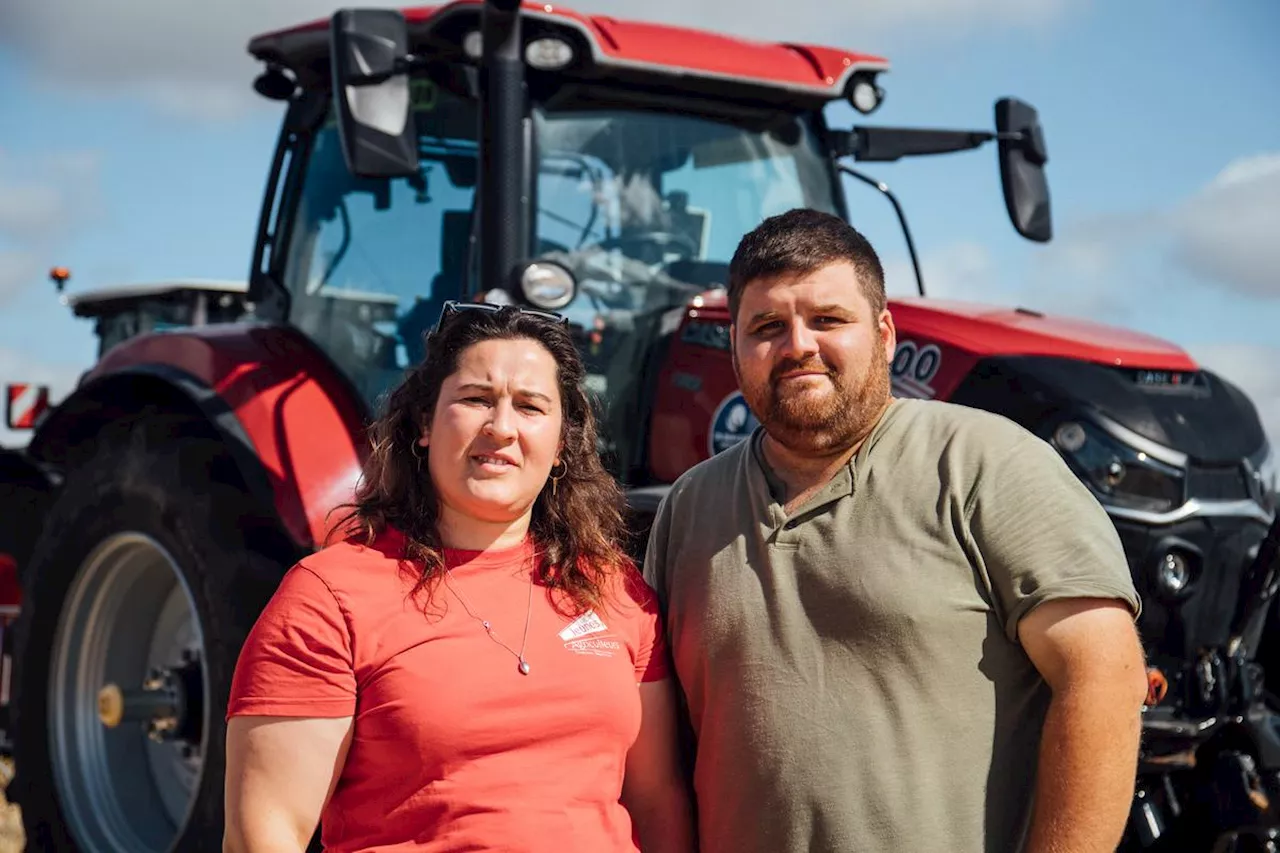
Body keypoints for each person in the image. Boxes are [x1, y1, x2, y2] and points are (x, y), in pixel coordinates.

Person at [642, 208, 1149, 853]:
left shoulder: (983, 464)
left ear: (884, 335)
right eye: (767, 327)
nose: (798, 345)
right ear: (735, 350)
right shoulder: (690, 506)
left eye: (828, 320)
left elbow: (1102, 677)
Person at [223, 301, 696, 852]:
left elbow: (657, 801)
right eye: (476, 399)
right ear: (424, 424)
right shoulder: (329, 597)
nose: (501, 428)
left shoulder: (615, 589)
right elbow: (265, 834)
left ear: (563, 442)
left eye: (530, 407)